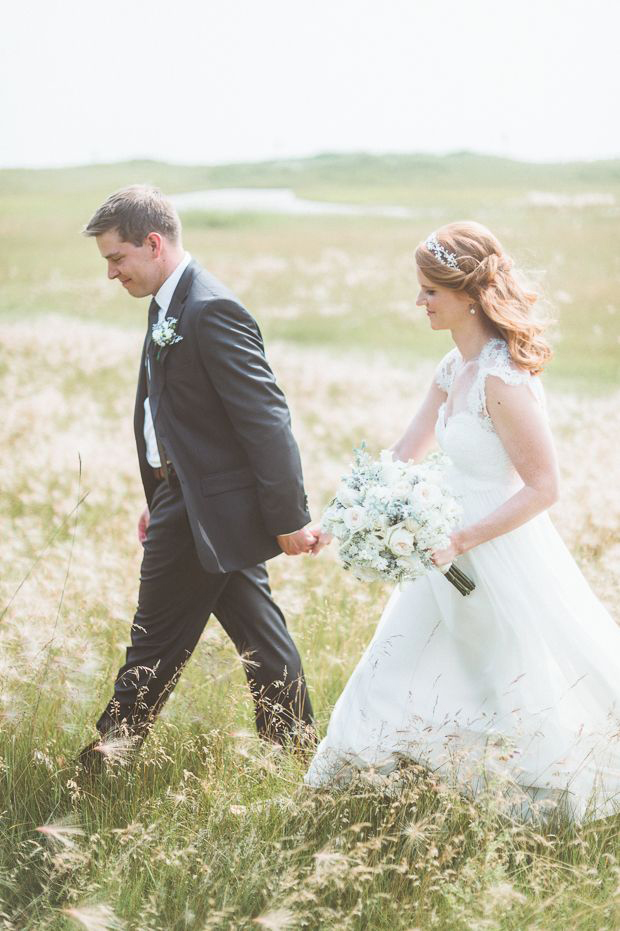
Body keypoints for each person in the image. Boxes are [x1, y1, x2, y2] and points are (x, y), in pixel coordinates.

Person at [304, 221, 620, 820]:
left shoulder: (503, 381)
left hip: (493, 547)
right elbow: (403, 453)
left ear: (468, 296)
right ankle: (368, 785)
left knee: (506, 672)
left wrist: (463, 538)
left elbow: (544, 487)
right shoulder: (454, 368)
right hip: (438, 546)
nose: (418, 302)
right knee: (397, 660)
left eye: (429, 292)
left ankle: (533, 802)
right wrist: (335, 520)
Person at [79, 185, 322, 769]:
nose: (112, 273)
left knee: (154, 642)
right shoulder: (165, 303)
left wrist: (290, 519)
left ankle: (99, 768)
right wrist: (161, 486)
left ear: (154, 243)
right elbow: (174, 414)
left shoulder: (210, 309)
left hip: (202, 511)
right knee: (262, 640)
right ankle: (296, 755)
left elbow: (266, 420)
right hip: (188, 499)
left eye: (117, 258)